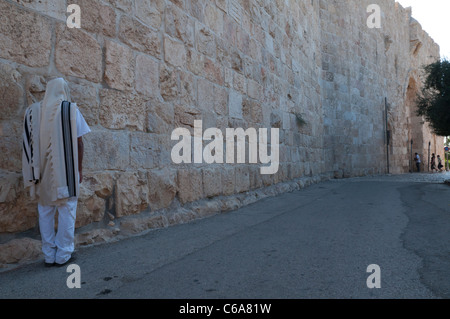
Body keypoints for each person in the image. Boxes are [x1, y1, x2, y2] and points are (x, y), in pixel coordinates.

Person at [22, 78, 91, 267]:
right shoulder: (70, 109)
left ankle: (48, 255)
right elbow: (79, 142)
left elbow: (27, 143)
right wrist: (79, 169)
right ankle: (63, 254)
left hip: (41, 173)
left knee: (44, 210)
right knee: (67, 209)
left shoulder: (32, 111)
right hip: (66, 172)